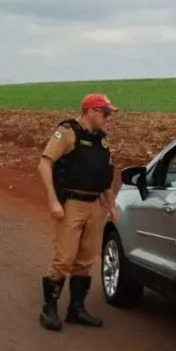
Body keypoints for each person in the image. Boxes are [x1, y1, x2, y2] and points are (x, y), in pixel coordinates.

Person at [36, 93, 120, 331]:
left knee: (85, 259)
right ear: (90, 111)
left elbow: (105, 176)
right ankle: (49, 310)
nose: (108, 118)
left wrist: (111, 206)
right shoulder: (67, 132)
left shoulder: (101, 140)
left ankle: (76, 308)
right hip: (71, 203)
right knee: (64, 258)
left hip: (94, 205)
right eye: (105, 113)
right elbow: (44, 164)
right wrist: (53, 201)